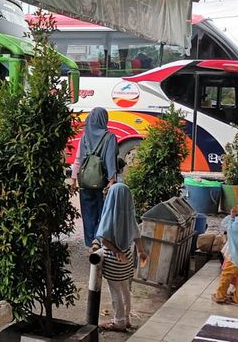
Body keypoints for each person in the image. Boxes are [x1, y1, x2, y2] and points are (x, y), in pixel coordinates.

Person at [94, 182, 147, 332]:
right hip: (128, 258)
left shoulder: (110, 214)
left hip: (113, 259)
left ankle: (118, 322)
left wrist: (117, 252)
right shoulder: (129, 216)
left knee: (115, 291)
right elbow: (137, 235)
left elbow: (104, 239)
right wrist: (141, 252)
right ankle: (127, 319)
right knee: (125, 289)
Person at [71, 107, 119, 248]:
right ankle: (98, 240)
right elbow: (110, 160)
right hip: (102, 182)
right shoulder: (109, 137)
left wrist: (73, 179)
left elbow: (78, 159)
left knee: (88, 213)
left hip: (85, 181)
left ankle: (90, 241)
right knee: (104, 212)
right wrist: (112, 180)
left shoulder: (84, 136)